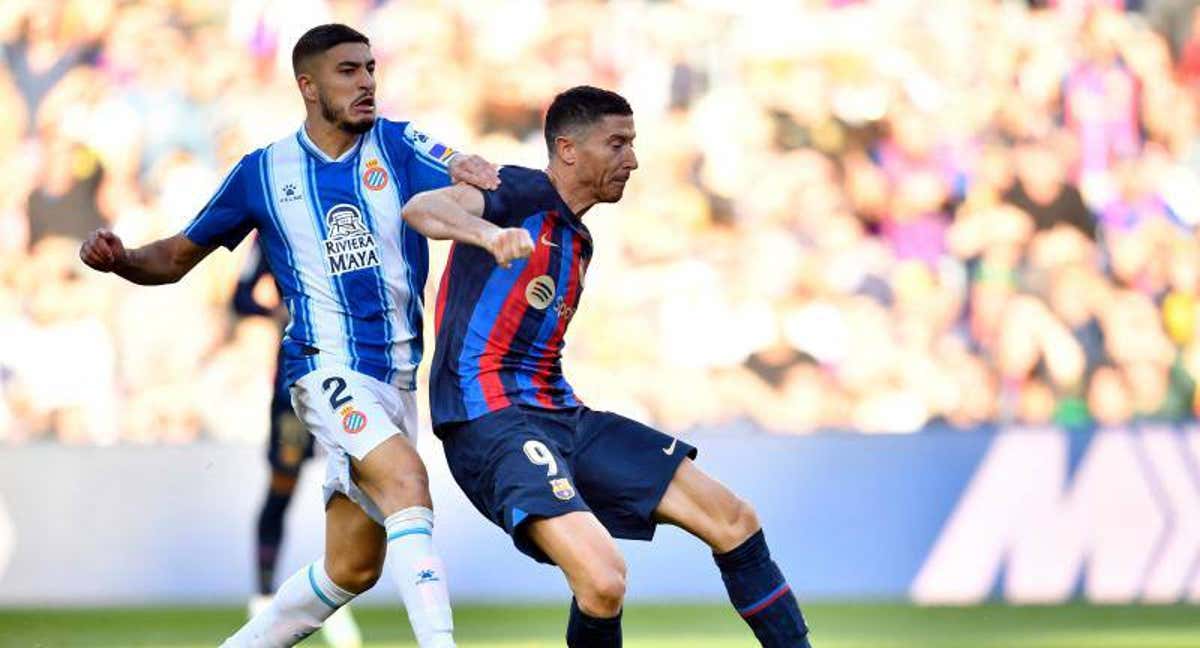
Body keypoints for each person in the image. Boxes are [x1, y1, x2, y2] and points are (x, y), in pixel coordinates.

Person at [79, 23, 532, 648]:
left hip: (398, 380)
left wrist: (469, 169)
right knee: (406, 482)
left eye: (371, 67)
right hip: (325, 369)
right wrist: (121, 258)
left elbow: (459, 166)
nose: (368, 80)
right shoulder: (263, 173)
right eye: (349, 70)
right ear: (307, 85)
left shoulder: (398, 145)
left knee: (351, 569)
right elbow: (176, 257)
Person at [402, 85, 813, 647]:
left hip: (563, 416)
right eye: (617, 144)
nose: (633, 160)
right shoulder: (519, 190)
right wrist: (489, 234)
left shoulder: (578, 239)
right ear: (568, 149)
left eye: (633, 144)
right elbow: (423, 208)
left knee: (733, 519)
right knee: (602, 579)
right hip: (490, 420)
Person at [233, 239, 361, 648]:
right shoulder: (270, 232)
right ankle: (264, 594)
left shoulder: (341, 221)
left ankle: (337, 590)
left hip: (352, 369)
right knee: (282, 484)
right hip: (294, 376)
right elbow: (240, 297)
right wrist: (277, 312)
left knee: (353, 481)